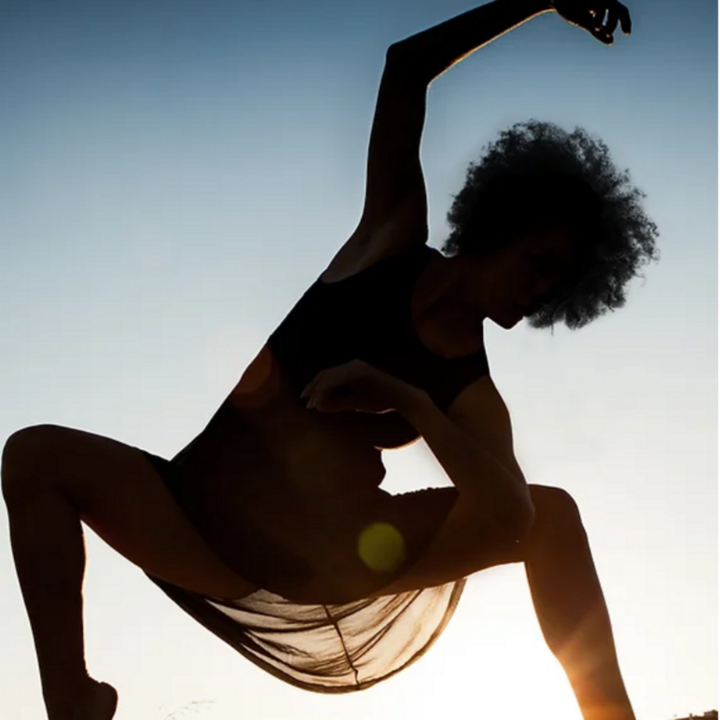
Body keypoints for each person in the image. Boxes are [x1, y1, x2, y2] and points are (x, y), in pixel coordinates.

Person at [1, 0, 658, 718]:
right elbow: (405, 69)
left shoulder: (470, 391)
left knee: (551, 516)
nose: (538, 292)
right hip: (202, 518)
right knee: (33, 455)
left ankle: (610, 715)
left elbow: (508, 515)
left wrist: (405, 399)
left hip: (333, 553)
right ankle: (72, 701)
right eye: (537, 263)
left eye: (557, 284)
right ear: (496, 227)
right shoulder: (388, 241)